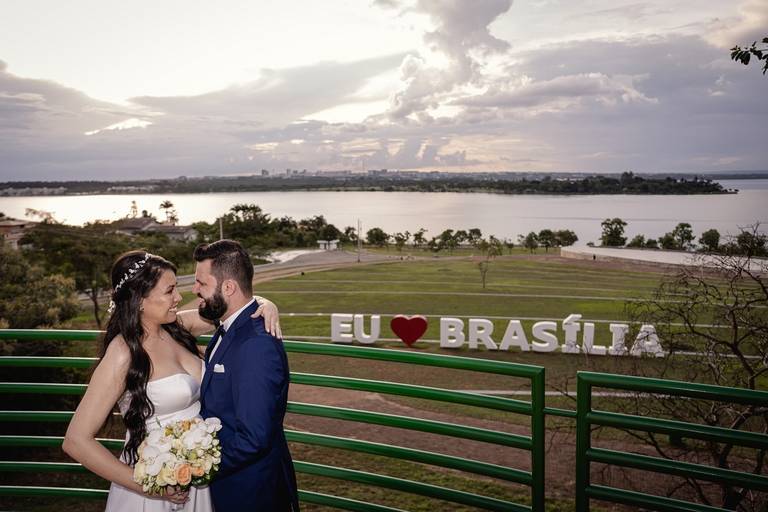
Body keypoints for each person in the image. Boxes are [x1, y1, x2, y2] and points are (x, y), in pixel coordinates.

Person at [63, 250, 282, 511]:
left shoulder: (177, 326)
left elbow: (233, 303)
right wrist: (151, 487)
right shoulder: (123, 353)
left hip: (199, 479)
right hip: (154, 490)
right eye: (170, 291)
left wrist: (265, 303)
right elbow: (76, 441)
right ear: (140, 300)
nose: (179, 297)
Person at [193, 240, 299, 511]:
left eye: (201, 284)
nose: (194, 290)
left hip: (251, 493)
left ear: (228, 287)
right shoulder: (227, 326)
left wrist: (195, 468)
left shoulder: (256, 345)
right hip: (230, 486)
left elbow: (254, 437)